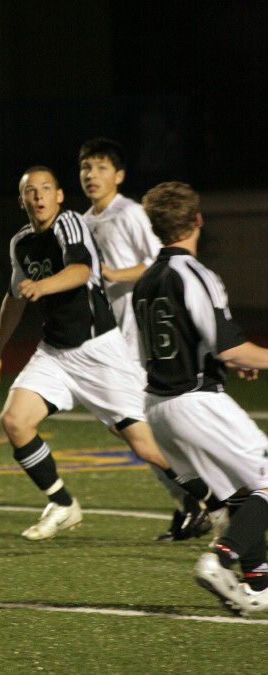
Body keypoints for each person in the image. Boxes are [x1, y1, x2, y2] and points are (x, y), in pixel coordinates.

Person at [0, 166, 221, 541]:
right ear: (22, 200)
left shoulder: (70, 223)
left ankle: (214, 501)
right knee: (14, 421)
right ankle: (62, 503)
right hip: (55, 353)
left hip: (99, 352)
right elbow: (14, 298)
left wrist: (41, 287)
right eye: (31, 191)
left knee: (146, 447)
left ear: (59, 195)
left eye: (46, 189)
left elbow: (80, 270)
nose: (39, 196)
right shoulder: (21, 243)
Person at [132, 180, 268, 615]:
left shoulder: (145, 280)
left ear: (154, 228)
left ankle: (259, 584)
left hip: (157, 407)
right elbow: (227, 346)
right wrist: (235, 357)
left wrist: (226, 358)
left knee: (244, 496)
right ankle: (220, 559)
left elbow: (186, 342)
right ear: (197, 221)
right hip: (194, 401)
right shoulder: (196, 273)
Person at [79, 137, 209, 542]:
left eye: (100, 167)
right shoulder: (83, 221)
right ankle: (191, 499)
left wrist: (113, 274)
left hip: (138, 339)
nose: (91, 175)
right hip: (107, 341)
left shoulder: (131, 213)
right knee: (134, 429)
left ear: (119, 175)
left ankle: (201, 498)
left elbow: (163, 259)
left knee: (141, 429)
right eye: (86, 167)